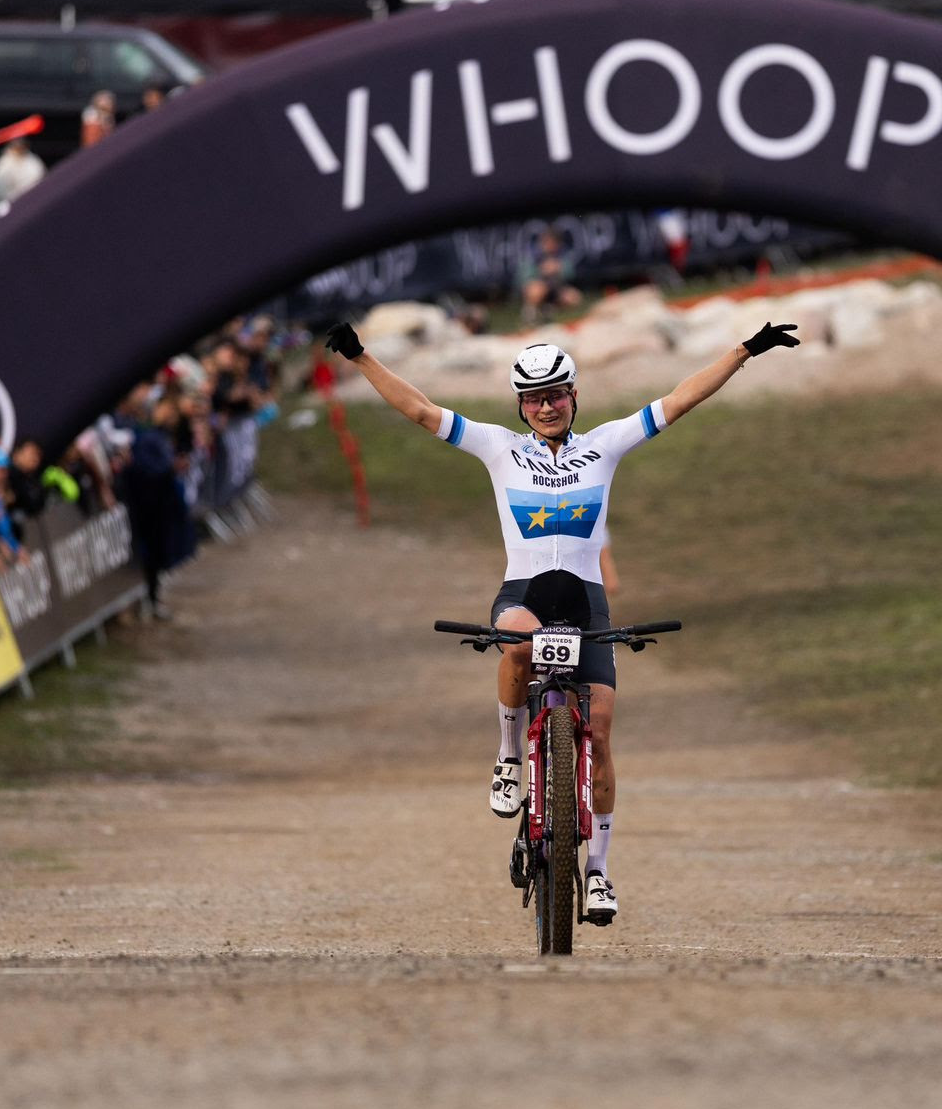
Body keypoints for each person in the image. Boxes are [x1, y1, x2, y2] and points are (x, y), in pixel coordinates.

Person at [324, 316, 803, 925]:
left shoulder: (604, 444)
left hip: (586, 601)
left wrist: (744, 350)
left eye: (555, 395)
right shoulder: (499, 447)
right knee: (518, 644)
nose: (546, 407)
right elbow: (420, 411)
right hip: (525, 590)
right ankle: (506, 756)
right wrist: (361, 357)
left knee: (599, 732)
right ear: (521, 407)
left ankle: (598, 870)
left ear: (574, 396)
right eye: (534, 399)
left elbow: (679, 400)